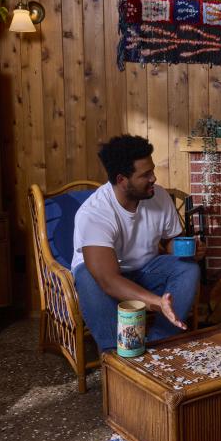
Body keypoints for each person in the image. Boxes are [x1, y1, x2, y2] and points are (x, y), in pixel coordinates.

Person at [72, 134, 203, 351]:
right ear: (122, 179)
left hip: (146, 271)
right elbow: (108, 280)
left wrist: (187, 250)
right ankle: (115, 354)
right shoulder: (94, 213)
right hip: (107, 279)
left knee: (187, 267)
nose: (154, 178)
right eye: (146, 174)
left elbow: (171, 241)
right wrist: (157, 302)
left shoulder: (158, 197)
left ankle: (159, 343)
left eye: (152, 171)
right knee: (86, 275)